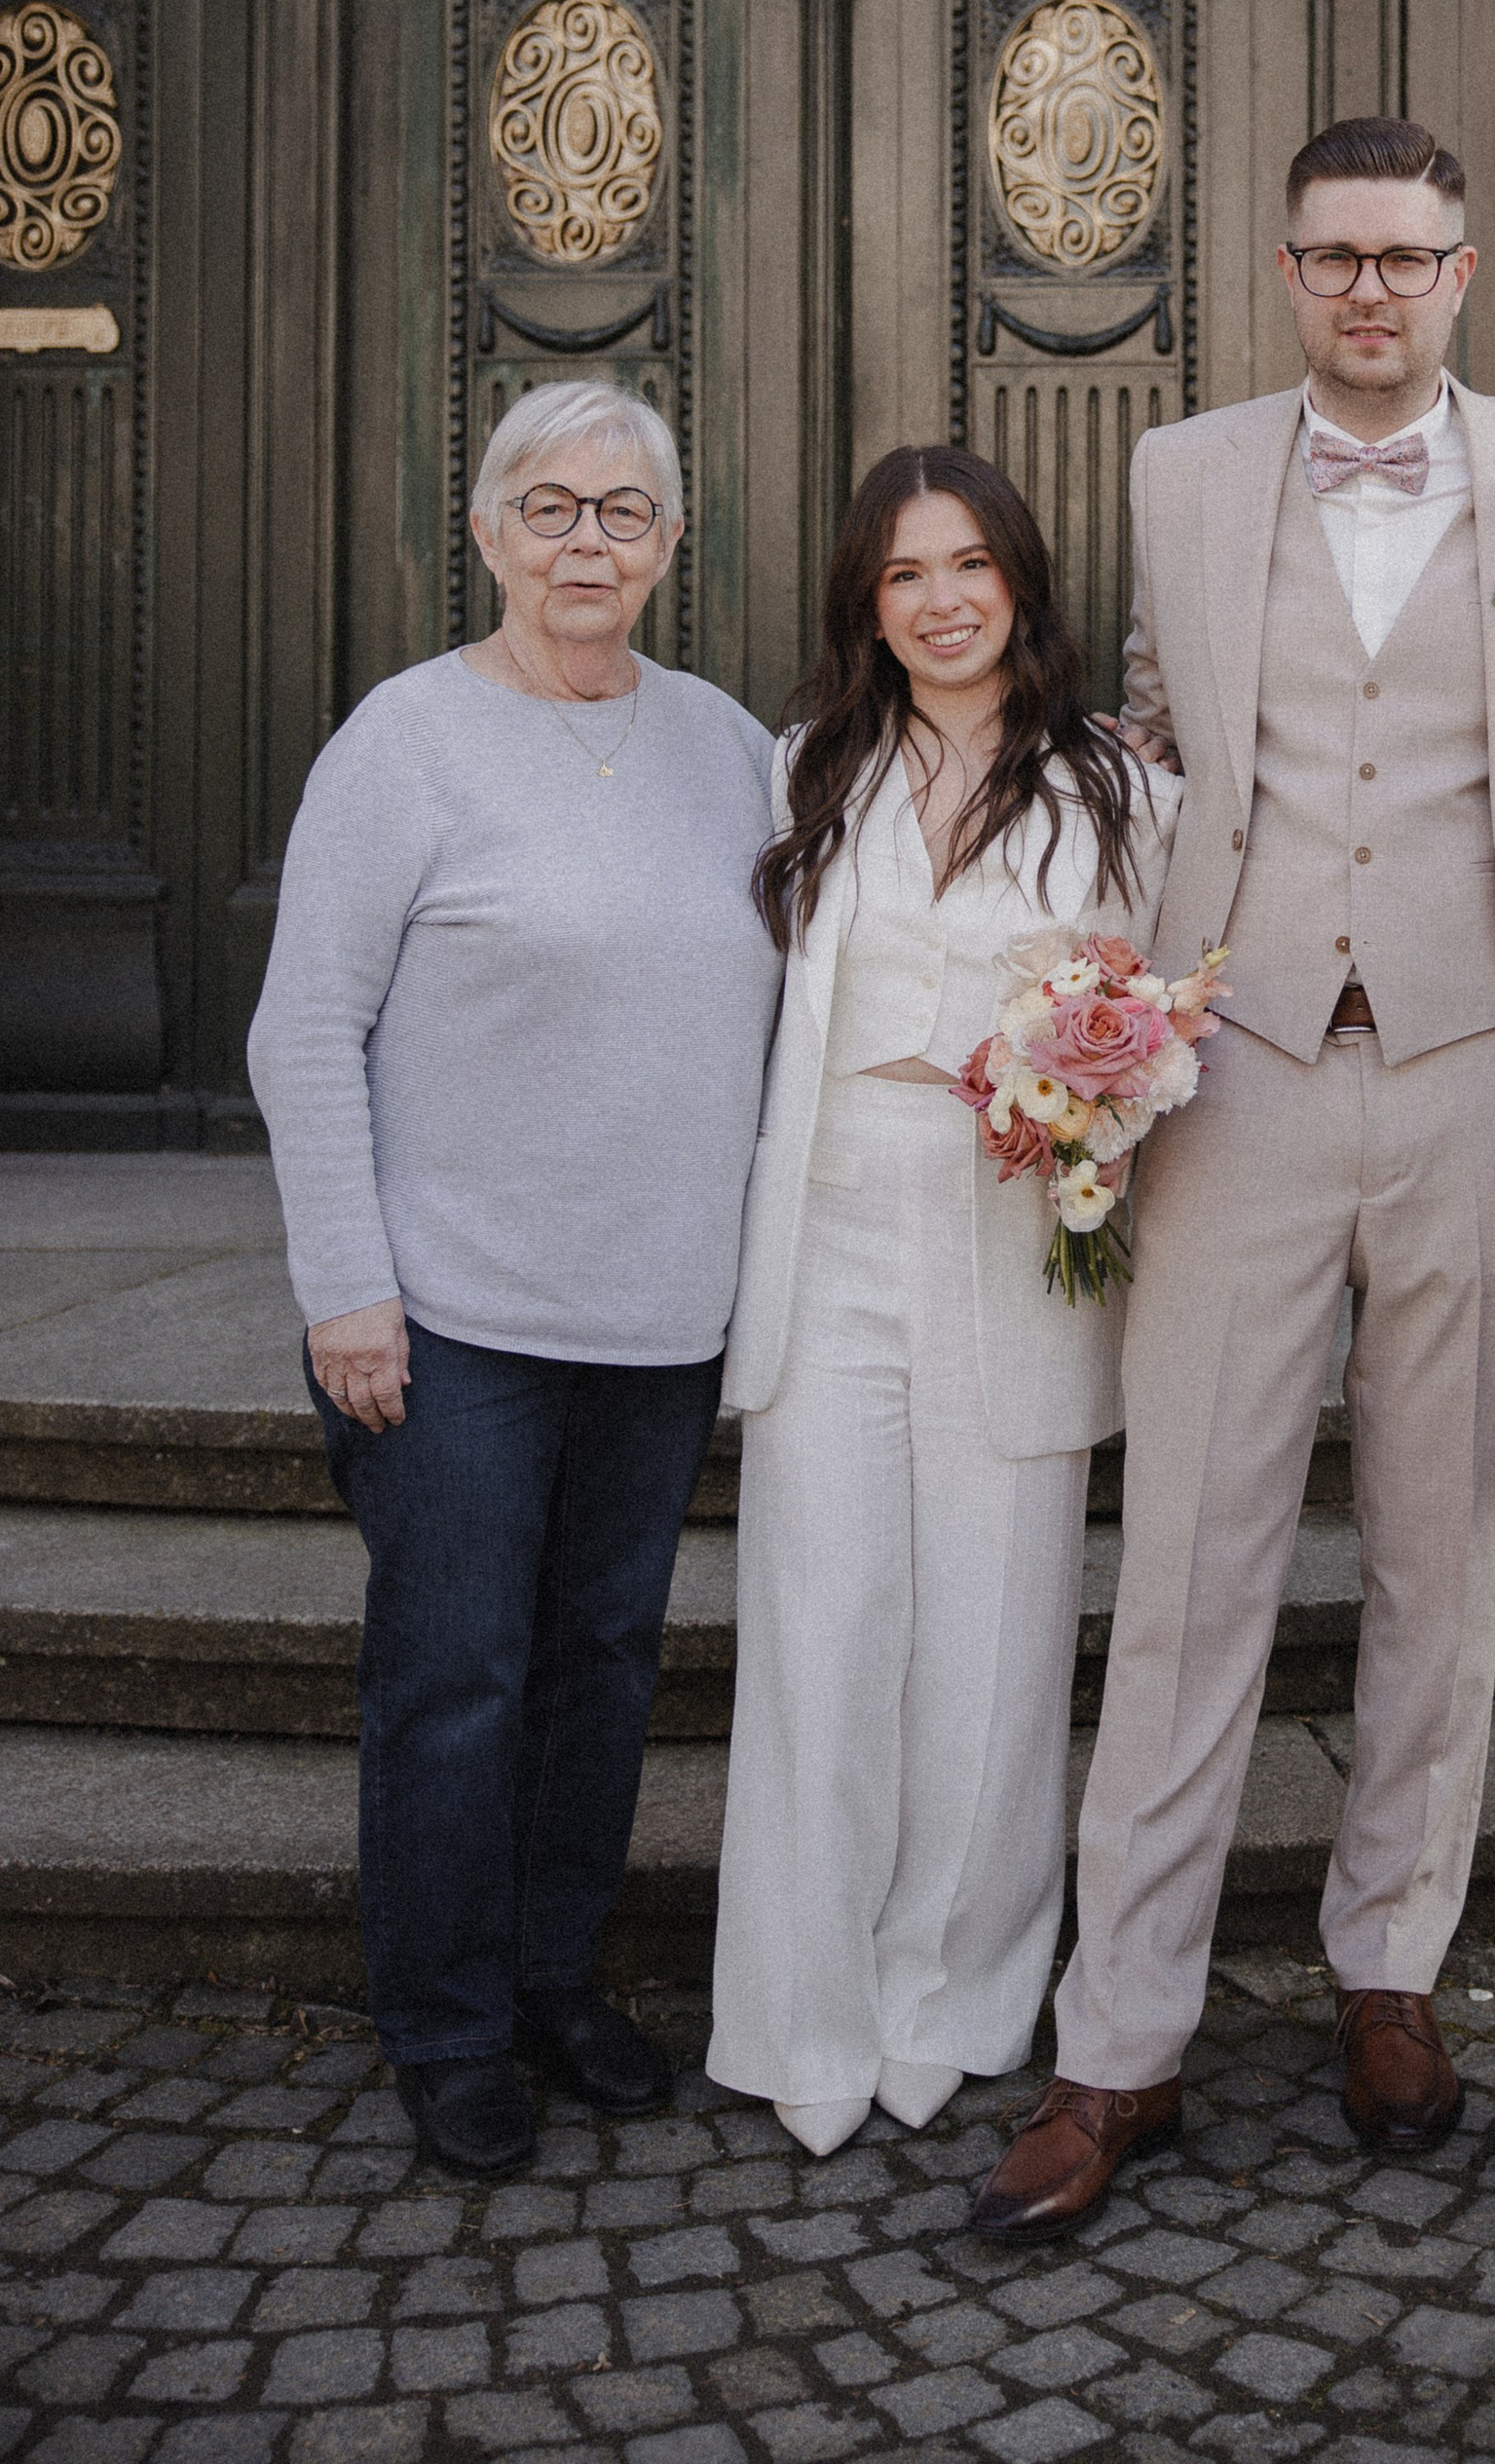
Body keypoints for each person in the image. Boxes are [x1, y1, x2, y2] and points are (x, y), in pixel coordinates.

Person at [968, 115, 1495, 2238]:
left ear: (1465, 273)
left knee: (1440, 1559)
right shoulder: (1180, 473)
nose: (1370, 289)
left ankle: (1389, 1971)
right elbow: (1153, 743)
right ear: (1285, 271)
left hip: (1484, 1072)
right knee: (1186, 1562)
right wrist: (1072, 1011)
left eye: (1407, 257)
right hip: (1237, 1072)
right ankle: (1121, 2044)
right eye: (1334, 257)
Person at [249, 382, 781, 2179]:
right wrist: (347, 1285)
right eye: (548, 509)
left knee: (604, 1665)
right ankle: (453, 2022)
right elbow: (303, 1027)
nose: (585, 545)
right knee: (456, 1675)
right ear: (484, 533)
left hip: (660, 1317)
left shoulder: (730, 746)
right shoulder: (403, 742)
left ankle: (556, 1977)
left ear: (672, 543)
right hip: (453, 1319)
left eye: (623, 513)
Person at [707, 447, 1179, 2157]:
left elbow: (1169, 1008)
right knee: (822, 1627)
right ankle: (804, 2010)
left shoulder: (1120, 790)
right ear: (866, 600)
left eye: (971, 564)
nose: (943, 600)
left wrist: (1112, 1085)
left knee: (993, 1641)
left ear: (1022, 583)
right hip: (830, 1208)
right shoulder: (795, 770)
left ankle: (955, 1998)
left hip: (1013, 1222)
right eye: (906, 573)